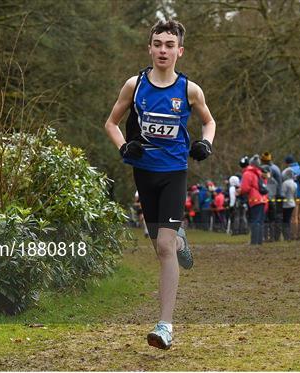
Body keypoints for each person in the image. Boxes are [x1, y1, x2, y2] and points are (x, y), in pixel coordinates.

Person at [104, 19, 216, 350]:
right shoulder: (134, 86)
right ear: (149, 48)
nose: (163, 50)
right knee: (161, 247)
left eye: (170, 45)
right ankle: (179, 244)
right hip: (144, 173)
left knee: (163, 247)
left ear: (179, 51)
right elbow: (111, 123)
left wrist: (205, 144)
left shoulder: (189, 90)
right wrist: (125, 146)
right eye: (158, 44)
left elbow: (209, 122)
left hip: (174, 173)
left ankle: (165, 325)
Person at [240, 155, 267, 245]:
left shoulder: (247, 173)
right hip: (263, 199)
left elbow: (245, 188)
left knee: (255, 220)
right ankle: (259, 241)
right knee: (260, 221)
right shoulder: (260, 173)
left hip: (254, 199)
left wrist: (239, 191)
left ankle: (254, 241)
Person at [261, 152, 282, 241]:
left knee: (268, 218)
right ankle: (274, 237)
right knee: (274, 218)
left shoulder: (267, 172)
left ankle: (268, 237)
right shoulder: (276, 168)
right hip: (274, 197)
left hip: (269, 198)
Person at [283, 155, 300, 240]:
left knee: (293, 217)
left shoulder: (288, 170)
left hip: (293, 195)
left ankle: (293, 235)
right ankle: (299, 234)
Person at [281, 168, 297, 241]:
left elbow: (283, 194)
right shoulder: (294, 183)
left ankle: (286, 236)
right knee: (289, 220)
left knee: (285, 220)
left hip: (286, 204)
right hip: (292, 203)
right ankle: (290, 235)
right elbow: (295, 195)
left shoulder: (285, 183)